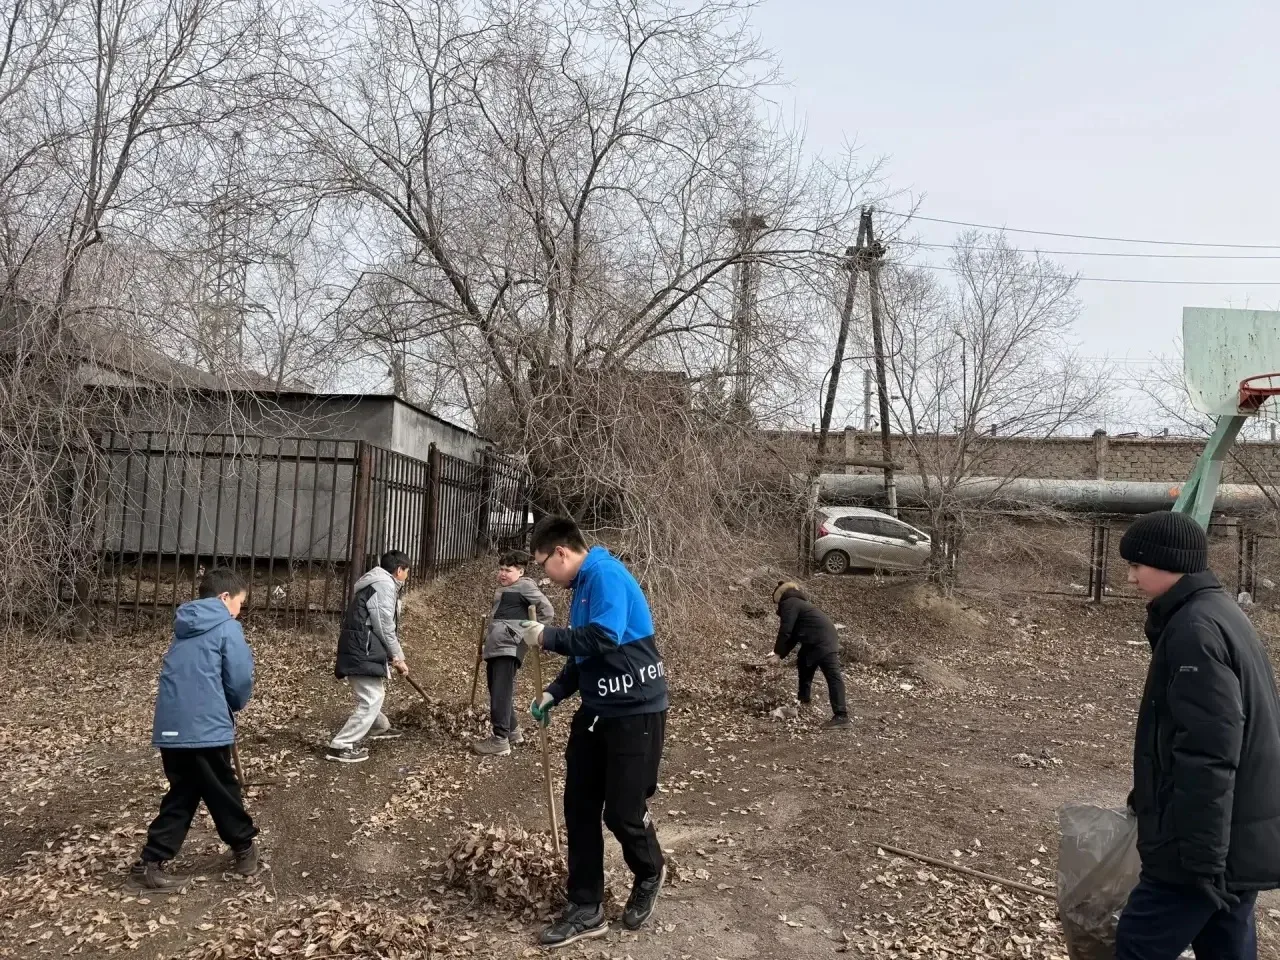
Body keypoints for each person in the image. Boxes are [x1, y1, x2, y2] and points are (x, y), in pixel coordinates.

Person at [1115, 510, 1280, 960]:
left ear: (1168, 562)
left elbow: (1210, 751)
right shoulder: (1217, 611)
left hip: (1201, 848)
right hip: (1234, 834)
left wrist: (1202, 860)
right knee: (1226, 946)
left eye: (1136, 565)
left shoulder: (1194, 629)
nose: (1130, 577)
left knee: (1138, 945)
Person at [522, 516, 668, 949]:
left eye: (543, 564)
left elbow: (603, 637)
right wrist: (553, 693)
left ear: (561, 552)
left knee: (622, 811)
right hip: (596, 711)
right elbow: (584, 656)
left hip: (635, 712)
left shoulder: (605, 575)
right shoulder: (582, 586)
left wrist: (547, 637)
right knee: (580, 808)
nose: (546, 575)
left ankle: (649, 871)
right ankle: (586, 908)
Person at [127, 567, 259, 892]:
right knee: (222, 790)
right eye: (239, 602)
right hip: (205, 728)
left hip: (172, 728)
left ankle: (150, 863)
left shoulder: (183, 628)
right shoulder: (226, 627)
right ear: (224, 598)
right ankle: (244, 847)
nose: (239, 610)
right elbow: (239, 677)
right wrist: (234, 703)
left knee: (184, 792)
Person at [327, 549, 412, 764]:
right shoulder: (384, 585)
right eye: (407, 571)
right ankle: (341, 745)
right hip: (361, 647)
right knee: (373, 697)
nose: (407, 575)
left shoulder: (378, 582)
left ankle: (378, 726)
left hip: (361, 645)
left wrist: (392, 656)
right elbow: (384, 625)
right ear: (399, 570)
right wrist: (398, 657)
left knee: (373, 692)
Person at [472, 550, 554, 757]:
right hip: (498, 645)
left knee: (500, 691)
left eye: (508, 570)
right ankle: (513, 732)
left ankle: (500, 740)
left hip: (509, 646)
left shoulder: (525, 586)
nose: (502, 573)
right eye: (501, 569)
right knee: (498, 690)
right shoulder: (506, 589)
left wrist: (528, 634)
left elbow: (547, 611)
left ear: (521, 571)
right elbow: (498, 620)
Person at [768, 581, 849, 728]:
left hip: (821, 641)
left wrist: (778, 654)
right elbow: (792, 636)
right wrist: (779, 654)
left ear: (779, 596)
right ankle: (804, 702)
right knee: (804, 662)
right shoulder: (799, 603)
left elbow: (786, 631)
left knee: (832, 676)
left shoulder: (789, 603)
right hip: (821, 639)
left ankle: (841, 716)